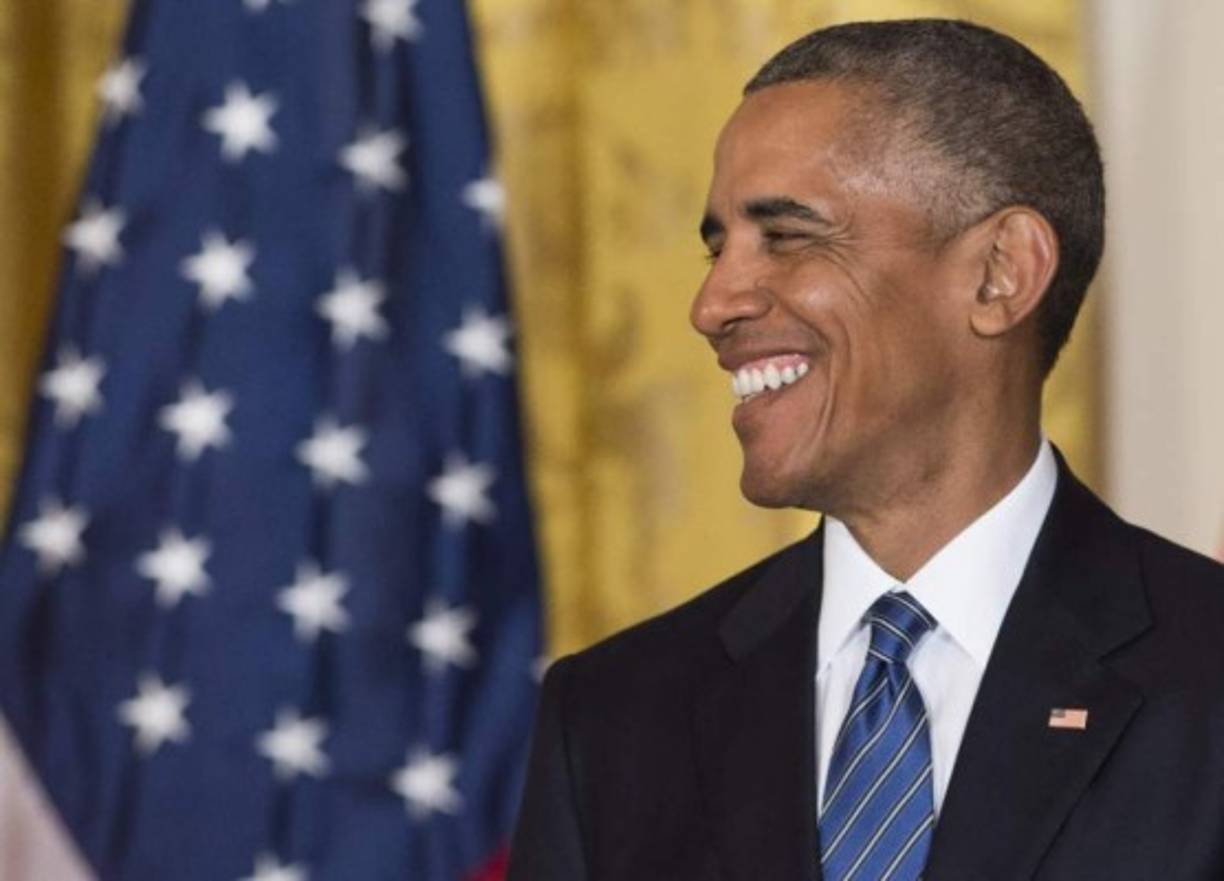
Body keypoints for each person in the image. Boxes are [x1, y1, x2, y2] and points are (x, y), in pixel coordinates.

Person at [507, 19, 1224, 881]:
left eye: (787, 235)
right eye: (717, 246)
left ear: (1000, 272)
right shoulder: (612, 715)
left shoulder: (1204, 671)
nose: (712, 304)